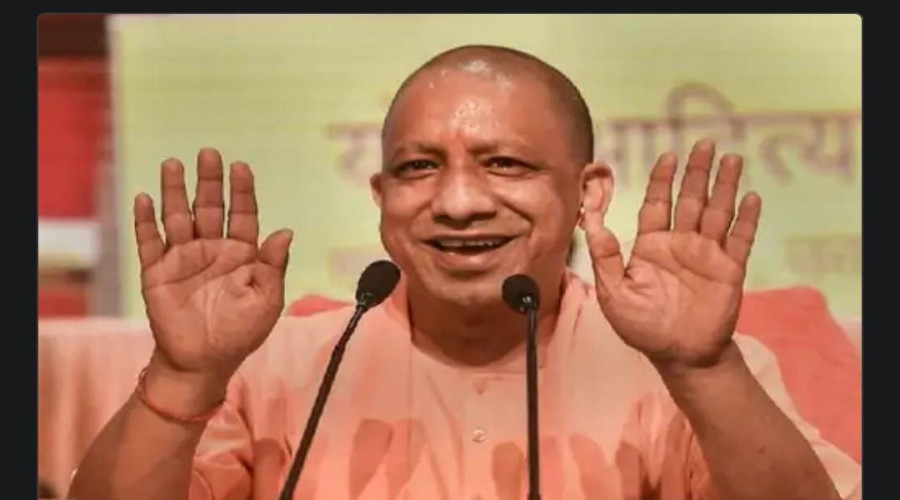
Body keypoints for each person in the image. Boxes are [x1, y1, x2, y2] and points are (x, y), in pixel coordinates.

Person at [68, 45, 861, 500]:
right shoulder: (273, 366)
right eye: (418, 168)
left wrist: (705, 370)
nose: (456, 203)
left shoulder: (682, 368)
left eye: (505, 164)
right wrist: (184, 375)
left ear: (588, 193)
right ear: (381, 197)